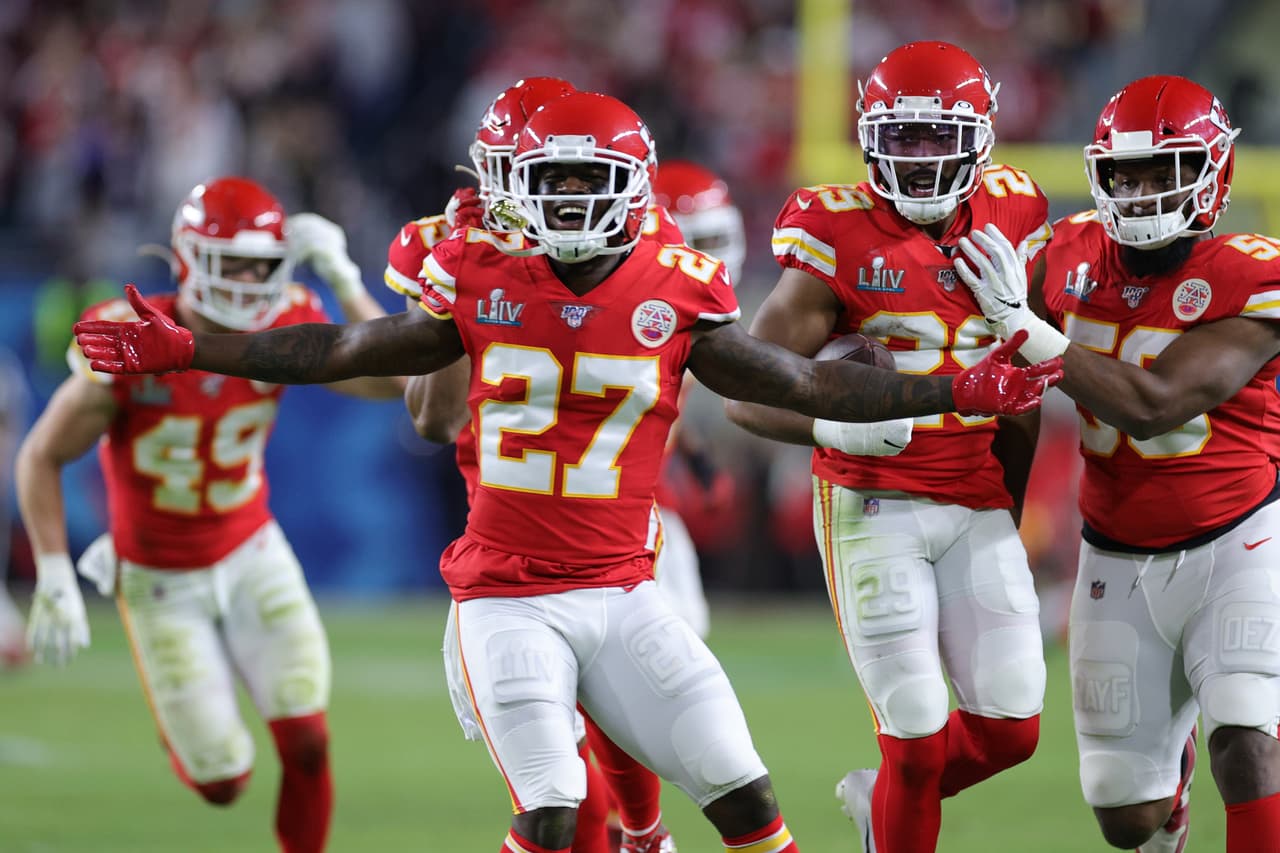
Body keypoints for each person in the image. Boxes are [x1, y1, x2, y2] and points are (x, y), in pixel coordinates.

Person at [73, 92, 1061, 853]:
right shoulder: (482, 276)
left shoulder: (673, 289)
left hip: (625, 591)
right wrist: (187, 349)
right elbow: (346, 349)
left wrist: (954, 391)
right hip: (507, 596)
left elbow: (799, 380)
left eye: (587, 184)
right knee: (551, 813)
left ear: (632, 191)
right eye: (550, 184)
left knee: (747, 795)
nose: (566, 203)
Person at [723, 41, 1053, 853]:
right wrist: (843, 423)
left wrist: (1008, 502)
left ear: (979, 136)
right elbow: (747, 393)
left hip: (973, 496)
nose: (920, 157)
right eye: (902, 137)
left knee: (1013, 726)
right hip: (874, 497)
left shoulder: (1017, 207)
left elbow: (1024, 385)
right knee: (912, 724)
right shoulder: (835, 227)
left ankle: (881, 801)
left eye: (940, 136)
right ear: (870, 136)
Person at [16, 176, 403, 853]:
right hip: (161, 575)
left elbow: (395, 381)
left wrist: (343, 278)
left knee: (308, 736)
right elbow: (41, 454)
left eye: (263, 263)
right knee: (222, 779)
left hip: (251, 547)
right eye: (234, 263)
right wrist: (52, 569)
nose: (253, 280)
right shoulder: (133, 339)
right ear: (189, 259)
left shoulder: (286, 318)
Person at [954, 74, 1280, 853]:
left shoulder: (1253, 270)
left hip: (1240, 538)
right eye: (1124, 174)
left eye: (1165, 170)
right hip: (1116, 549)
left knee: (1249, 733)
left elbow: (1156, 400)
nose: (1140, 192)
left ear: (1213, 172)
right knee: (1123, 811)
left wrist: (1025, 328)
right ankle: (1170, 788)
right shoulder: (1064, 256)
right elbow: (1008, 381)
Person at [390, 75, 680, 853]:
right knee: (556, 781)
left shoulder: (644, 242)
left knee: (623, 725)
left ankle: (647, 835)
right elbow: (432, 414)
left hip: (612, 530)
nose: (497, 189)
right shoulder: (453, 249)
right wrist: (464, 284)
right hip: (511, 538)